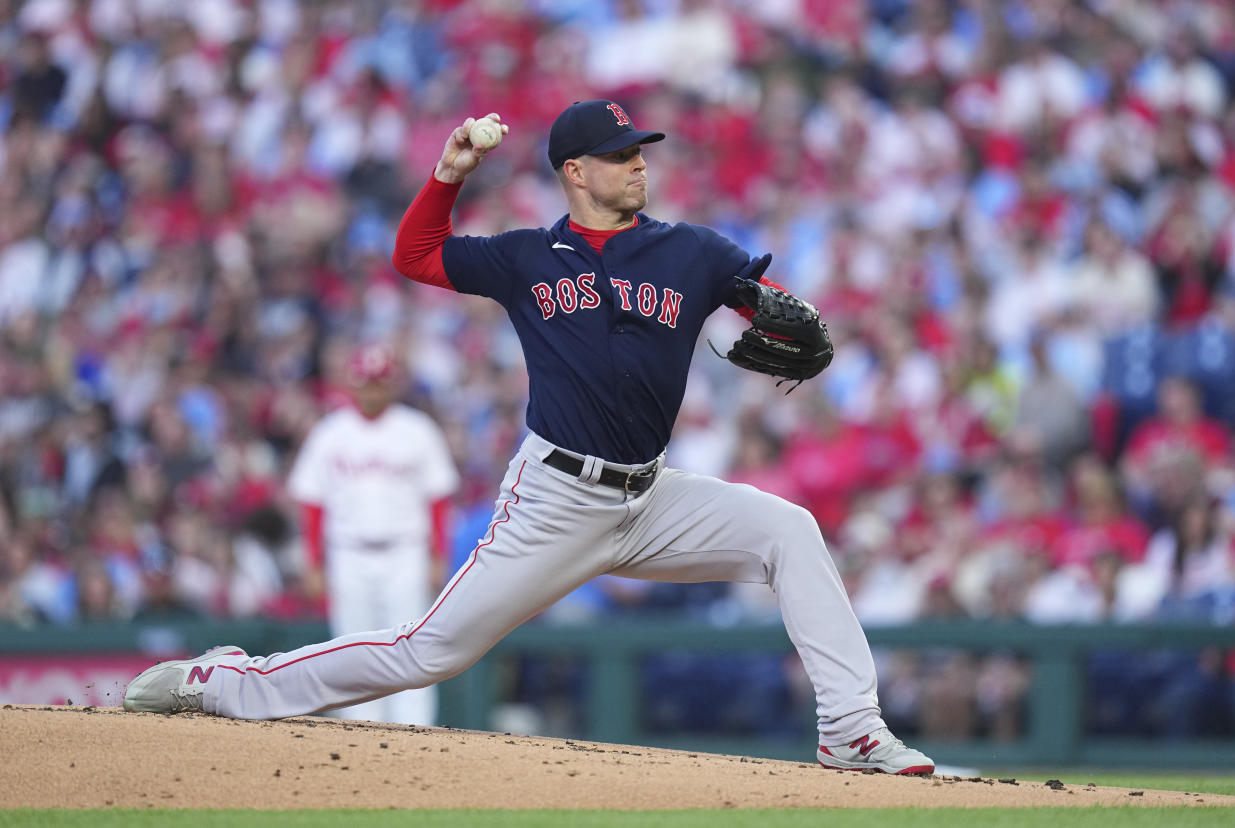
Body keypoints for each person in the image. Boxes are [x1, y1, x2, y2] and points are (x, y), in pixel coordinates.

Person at [124, 101, 934, 775]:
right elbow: (414, 255)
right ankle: (224, 682)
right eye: (618, 156)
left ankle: (850, 728)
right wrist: (450, 173)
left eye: (640, 152)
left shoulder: (691, 250)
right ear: (575, 172)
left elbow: (771, 308)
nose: (638, 166)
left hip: (654, 496)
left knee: (788, 529)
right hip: (554, 499)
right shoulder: (527, 258)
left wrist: (780, 316)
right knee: (425, 652)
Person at [285, 343, 459, 725]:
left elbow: (438, 498)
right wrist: (313, 563)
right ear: (353, 383)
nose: (373, 391)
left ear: (391, 385)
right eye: (366, 383)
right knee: (352, 647)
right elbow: (312, 503)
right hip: (348, 552)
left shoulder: (416, 430)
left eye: (379, 383)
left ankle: (415, 730)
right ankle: (360, 733)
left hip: (405, 551)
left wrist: (437, 554)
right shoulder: (331, 433)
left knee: (413, 646)